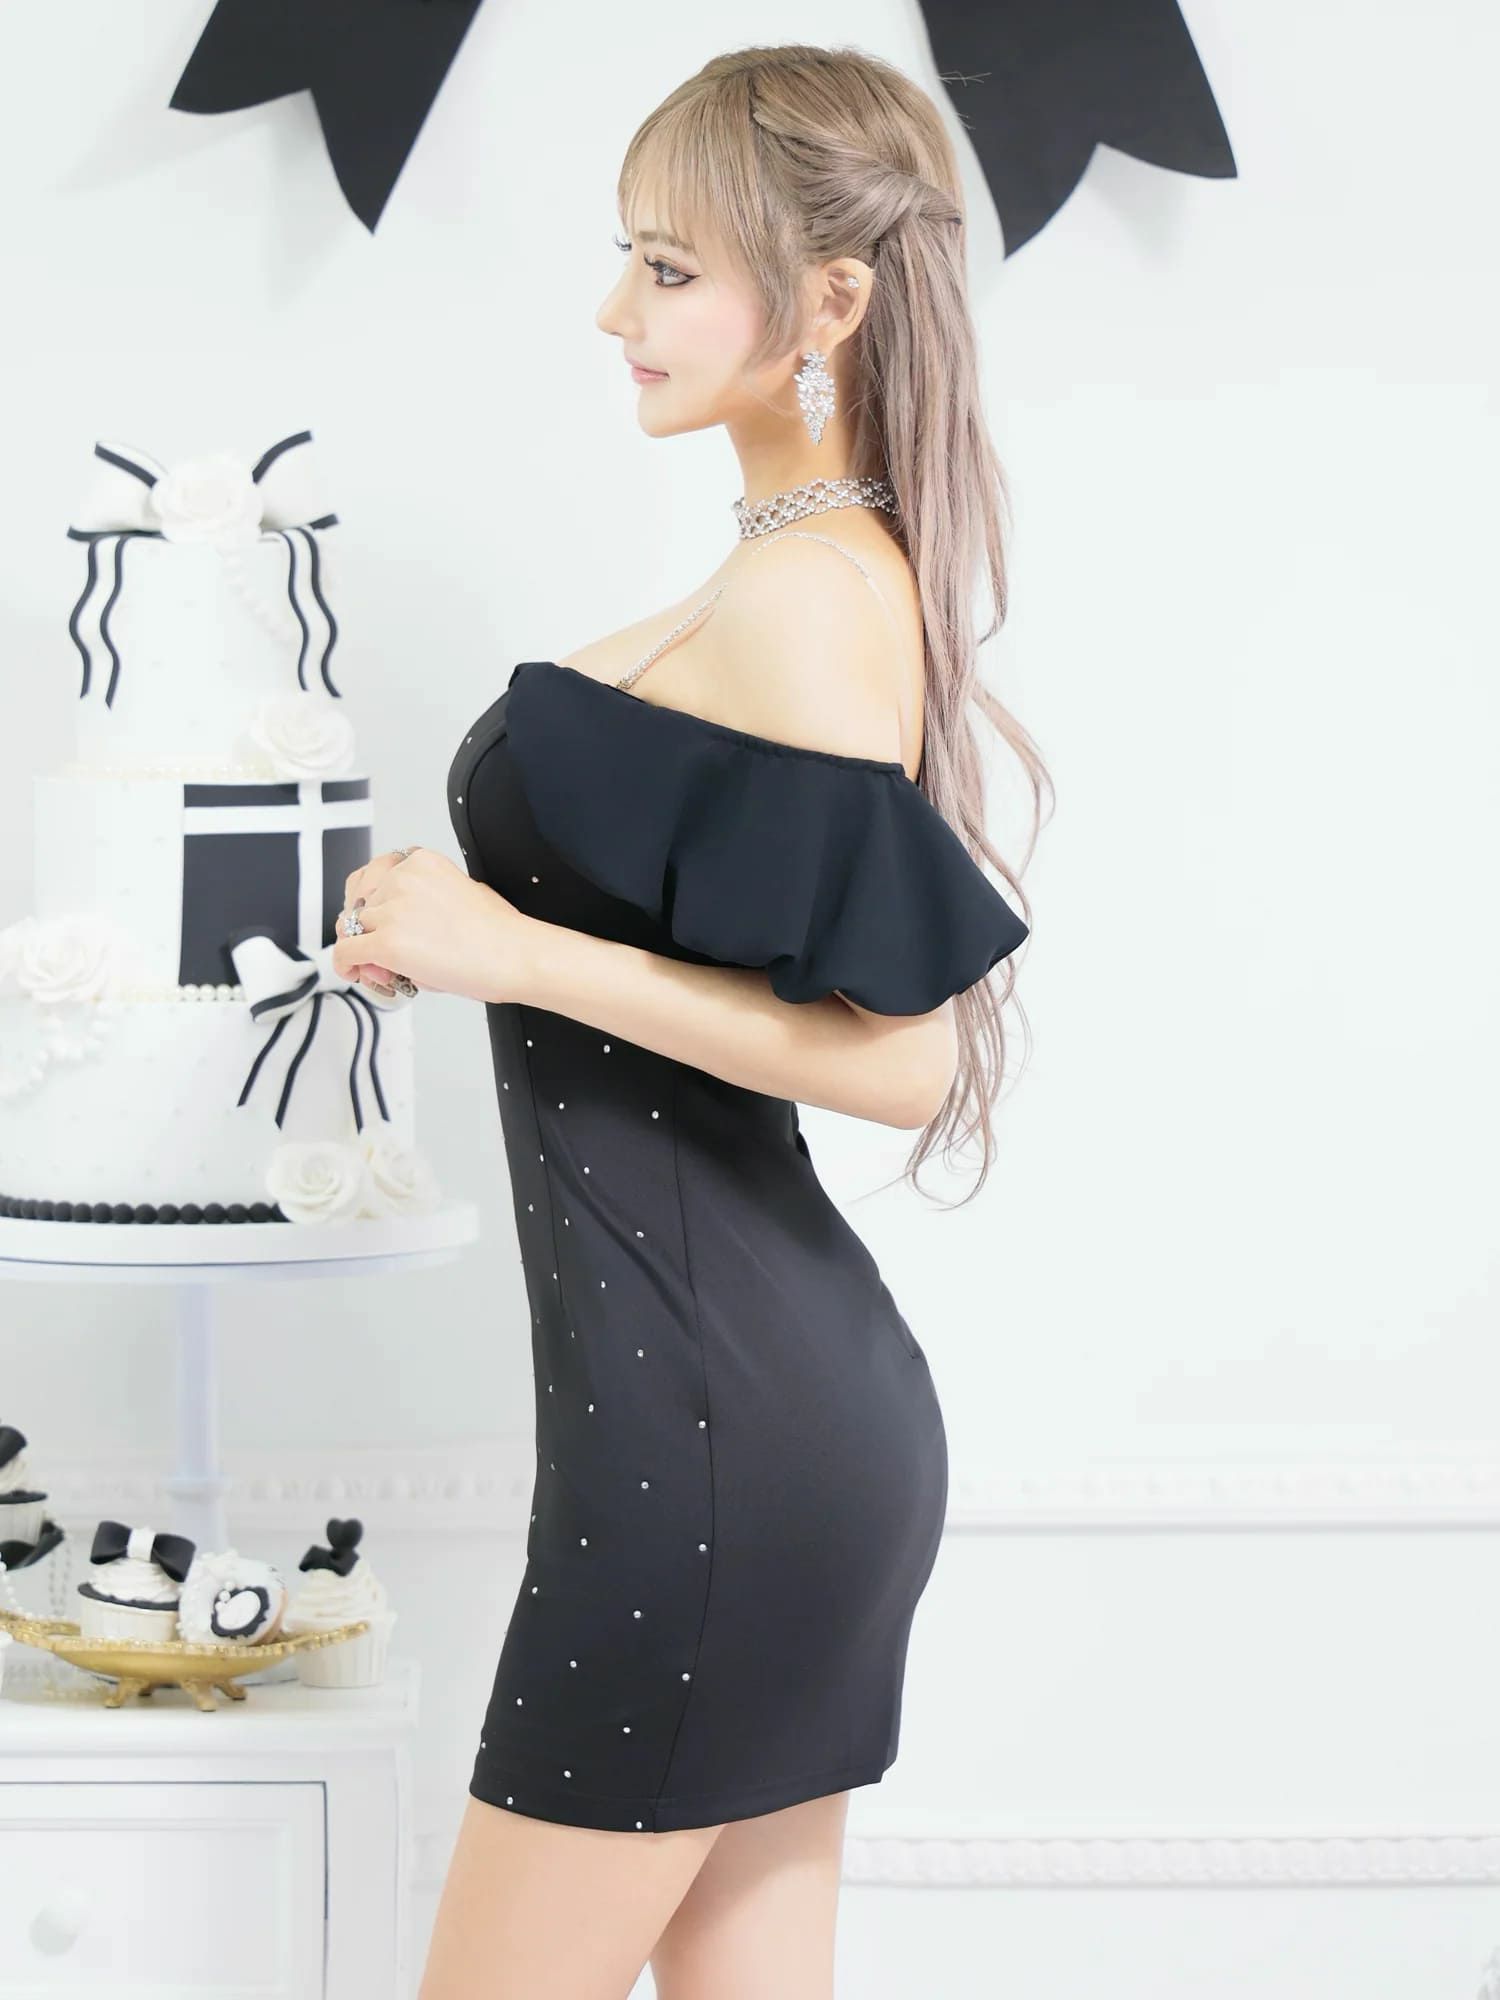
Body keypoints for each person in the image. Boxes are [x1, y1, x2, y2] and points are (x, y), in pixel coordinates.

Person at [332, 42, 1048, 2000]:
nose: (612, 312)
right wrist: (485, 927)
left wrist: (514, 949)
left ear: (829, 302)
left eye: (667, 269)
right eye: (624, 259)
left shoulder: (808, 597)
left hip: (709, 1446)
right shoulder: (793, 574)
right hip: (751, 1426)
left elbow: (907, 1056)